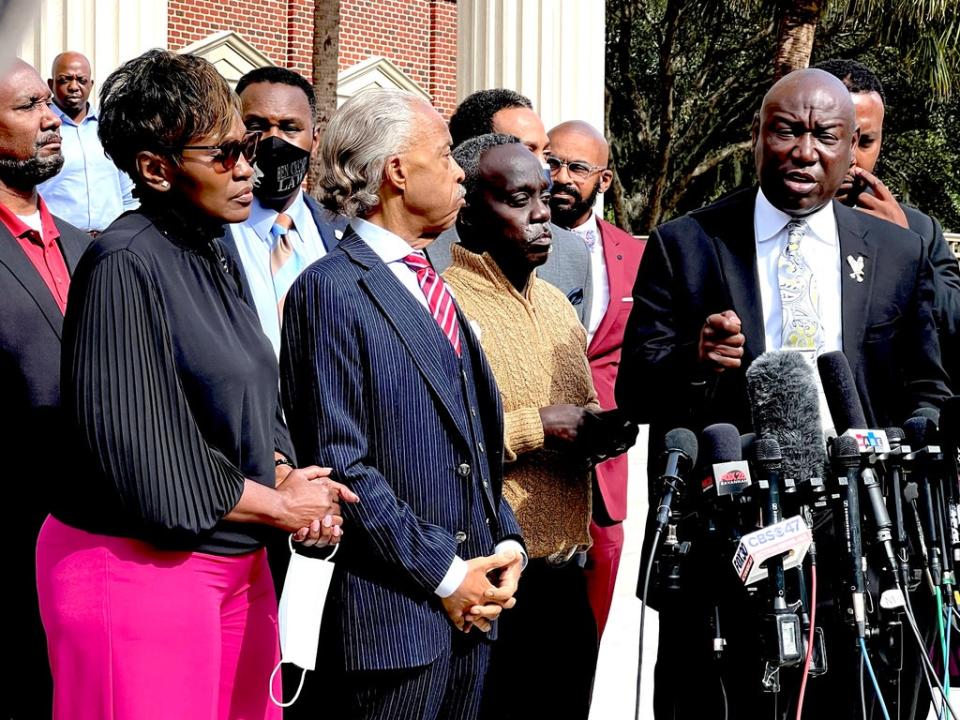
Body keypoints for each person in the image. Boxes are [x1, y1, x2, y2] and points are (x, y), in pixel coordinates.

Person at [616, 68, 950, 719]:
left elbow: (927, 391)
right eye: (786, 131)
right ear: (756, 136)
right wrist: (697, 361)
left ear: (853, 145)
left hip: (856, 550)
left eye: (826, 135)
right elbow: (635, 393)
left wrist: (909, 448)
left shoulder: (897, 253)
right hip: (728, 558)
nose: (804, 150)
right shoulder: (687, 245)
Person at [36, 49, 355, 720]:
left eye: (248, 148)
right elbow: (147, 459)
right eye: (225, 154)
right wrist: (282, 506)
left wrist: (285, 472)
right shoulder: (123, 263)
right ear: (155, 169)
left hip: (235, 564)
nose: (250, 168)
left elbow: (247, 398)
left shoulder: (212, 246)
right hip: (134, 570)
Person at [281, 88, 525, 720]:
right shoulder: (330, 291)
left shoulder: (430, 285)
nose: (459, 171)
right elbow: (344, 467)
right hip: (393, 630)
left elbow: (468, 446)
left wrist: (506, 547)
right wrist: (448, 574)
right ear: (395, 172)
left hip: (469, 620)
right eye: (444, 155)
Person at [442, 133, 634, 720]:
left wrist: (601, 432)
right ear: (468, 210)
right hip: (491, 583)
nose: (541, 214)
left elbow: (573, 423)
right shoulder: (443, 303)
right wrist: (536, 427)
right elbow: (436, 443)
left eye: (545, 197)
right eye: (519, 199)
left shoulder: (555, 304)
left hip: (566, 578)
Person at [0, 57, 91, 720]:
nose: (50, 118)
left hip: (96, 546)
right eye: (28, 106)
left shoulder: (92, 251)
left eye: (47, 104)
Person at [547, 119, 646, 636]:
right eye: (552, 162)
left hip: (605, 466)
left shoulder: (635, 256)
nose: (560, 176)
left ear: (603, 181)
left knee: (590, 630)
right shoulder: (513, 243)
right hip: (531, 454)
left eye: (576, 168)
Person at [816, 58, 960, 386]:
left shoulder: (920, 231)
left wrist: (907, 250)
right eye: (833, 136)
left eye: (865, 142)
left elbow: (953, 330)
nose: (851, 157)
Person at [427, 88, 591, 321]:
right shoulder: (418, 251)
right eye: (525, 150)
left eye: (546, 153)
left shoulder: (573, 253)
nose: (541, 166)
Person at [226, 66, 347, 356]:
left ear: (315, 140)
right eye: (256, 126)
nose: (273, 140)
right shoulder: (207, 236)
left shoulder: (347, 235)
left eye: (289, 128)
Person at [36, 51, 137, 233]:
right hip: (59, 241)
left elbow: (127, 191)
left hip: (109, 240)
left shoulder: (111, 128)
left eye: (81, 80)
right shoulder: (39, 128)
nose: (74, 86)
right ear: (51, 84)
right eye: (65, 79)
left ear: (90, 85)